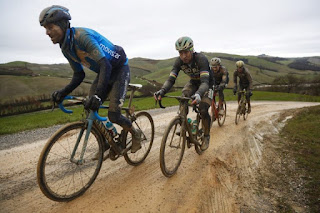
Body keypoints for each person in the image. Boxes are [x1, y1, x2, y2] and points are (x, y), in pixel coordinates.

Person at [39, 5, 142, 153]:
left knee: (113, 115)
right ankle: (106, 143)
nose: (47, 32)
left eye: (50, 27)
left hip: (118, 69)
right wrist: (62, 92)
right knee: (90, 110)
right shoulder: (66, 47)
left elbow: (105, 64)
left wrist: (98, 96)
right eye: (45, 29)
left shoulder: (82, 37)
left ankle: (135, 133)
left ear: (62, 24)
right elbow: (79, 75)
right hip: (104, 71)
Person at [154, 36, 214, 150]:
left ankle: (206, 136)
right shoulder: (178, 62)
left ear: (191, 50)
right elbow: (171, 79)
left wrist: (199, 94)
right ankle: (185, 124)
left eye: (186, 52)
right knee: (183, 98)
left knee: (203, 109)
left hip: (207, 84)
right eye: (180, 53)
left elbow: (205, 82)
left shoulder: (201, 59)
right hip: (193, 82)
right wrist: (162, 91)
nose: (183, 56)